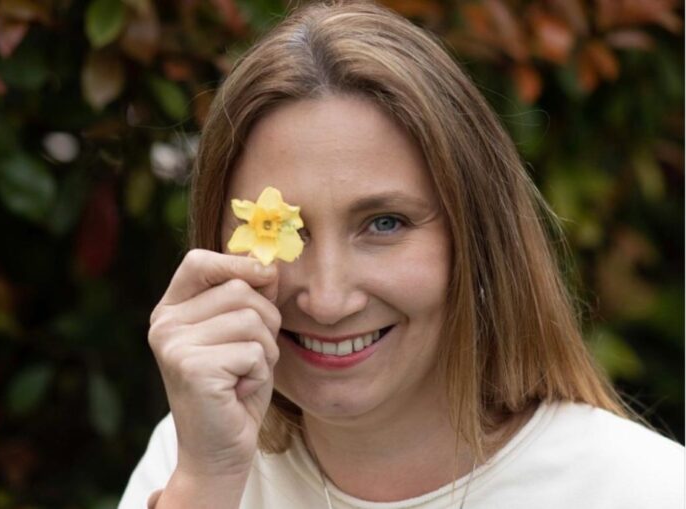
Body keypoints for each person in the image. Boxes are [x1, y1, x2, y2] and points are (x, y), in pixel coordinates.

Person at [118, 1, 684, 508]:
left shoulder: (644, 490)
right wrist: (208, 481)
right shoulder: (190, 456)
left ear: (478, 238)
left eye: (384, 223)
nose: (328, 300)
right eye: (285, 229)